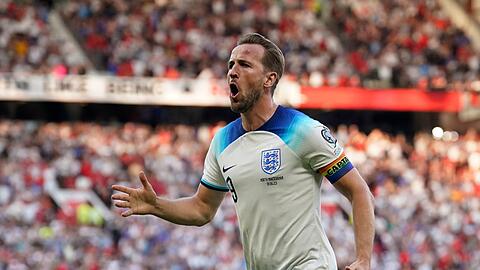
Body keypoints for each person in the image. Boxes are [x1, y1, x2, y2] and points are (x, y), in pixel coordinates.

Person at [111, 33, 375, 270]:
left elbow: (358, 190)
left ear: (269, 79)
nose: (232, 72)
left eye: (244, 65)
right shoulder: (223, 141)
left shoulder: (302, 130)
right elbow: (202, 209)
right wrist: (157, 205)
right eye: (231, 65)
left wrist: (363, 260)